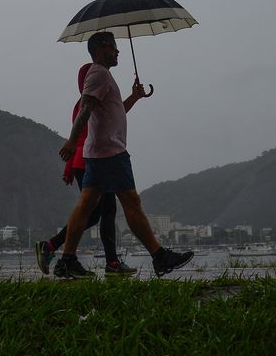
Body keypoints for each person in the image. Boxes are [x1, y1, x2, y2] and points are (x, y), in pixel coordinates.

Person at [52, 31, 193, 279]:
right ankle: (159, 256)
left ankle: (67, 260)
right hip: (110, 152)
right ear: (101, 48)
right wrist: (73, 140)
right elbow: (86, 107)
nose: (118, 51)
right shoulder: (98, 73)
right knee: (131, 201)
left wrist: (135, 97)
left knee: (86, 207)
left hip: (99, 151)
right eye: (114, 47)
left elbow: (114, 112)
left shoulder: (104, 76)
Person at [35, 62, 135, 276]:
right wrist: (70, 166)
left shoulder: (91, 101)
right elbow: (80, 136)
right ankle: (110, 263)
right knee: (104, 211)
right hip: (93, 161)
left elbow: (116, 113)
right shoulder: (87, 103)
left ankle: (53, 247)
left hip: (87, 161)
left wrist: (134, 97)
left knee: (95, 214)